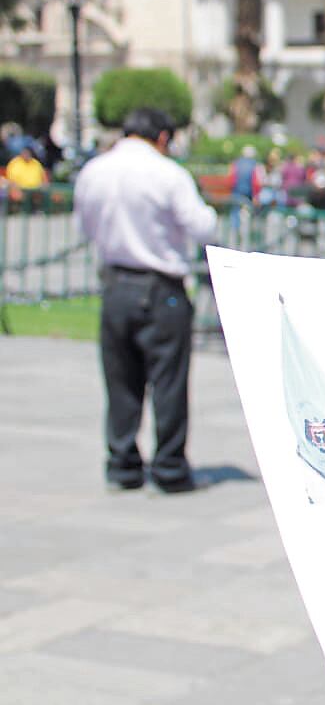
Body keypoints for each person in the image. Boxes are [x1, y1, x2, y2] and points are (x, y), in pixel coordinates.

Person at [73, 107, 217, 492]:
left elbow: (83, 225)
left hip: (117, 281)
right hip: (161, 285)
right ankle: (169, 467)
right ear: (164, 137)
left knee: (120, 380)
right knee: (168, 381)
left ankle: (122, 464)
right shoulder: (168, 173)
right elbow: (202, 226)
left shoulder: (94, 171)